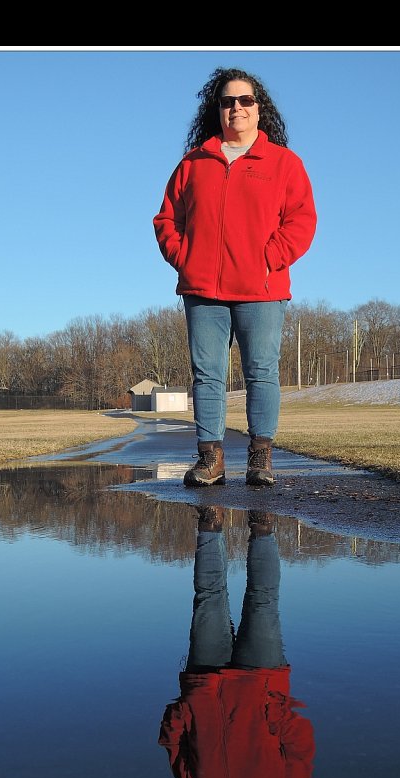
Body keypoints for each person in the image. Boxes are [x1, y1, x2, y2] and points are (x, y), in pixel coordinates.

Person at [153, 67, 317, 487]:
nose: (237, 108)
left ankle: (260, 459)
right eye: (228, 101)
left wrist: (271, 258)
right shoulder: (193, 163)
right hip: (203, 290)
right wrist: (184, 257)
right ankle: (210, 459)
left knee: (261, 371)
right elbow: (167, 219)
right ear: (218, 109)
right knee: (207, 374)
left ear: (260, 109)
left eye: (245, 101)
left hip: (261, 290)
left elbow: (301, 221)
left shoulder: (283, 163)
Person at [158, 507, 315, 778]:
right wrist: (273, 711)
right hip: (261, 679)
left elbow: (171, 742)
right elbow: (301, 745)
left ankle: (210, 523)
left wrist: (187, 708)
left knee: (208, 596)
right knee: (263, 599)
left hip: (206, 680)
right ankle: (262, 527)